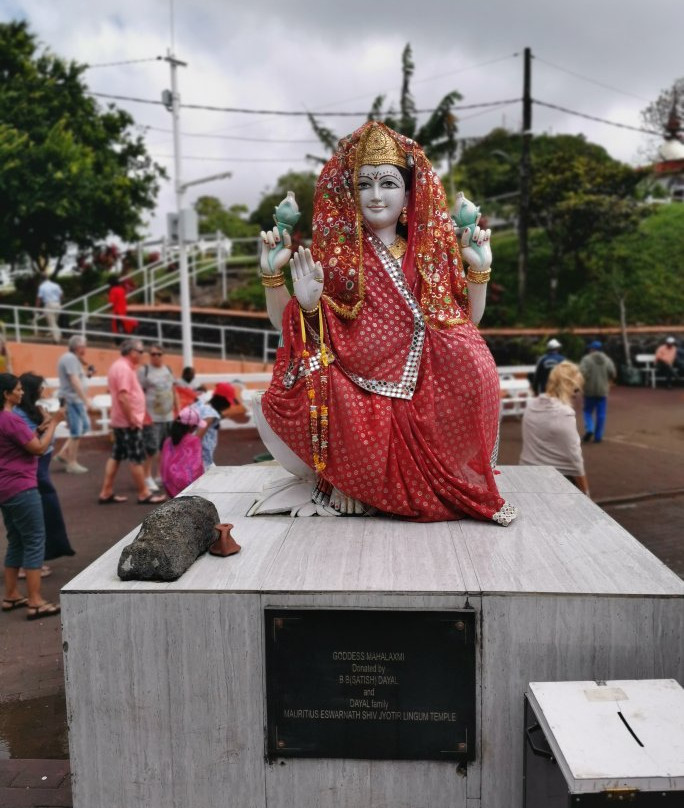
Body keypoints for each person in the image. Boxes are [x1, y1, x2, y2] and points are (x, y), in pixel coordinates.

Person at [257, 121, 516, 524]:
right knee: (319, 376)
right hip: (354, 379)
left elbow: (462, 324)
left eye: (388, 183)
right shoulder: (337, 258)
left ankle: (401, 480)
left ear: (409, 193)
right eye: (364, 185)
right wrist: (282, 285)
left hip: (421, 379)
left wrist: (478, 272)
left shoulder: (426, 253)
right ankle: (347, 479)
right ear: (350, 193)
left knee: (476, 364)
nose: (376, 196)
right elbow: (291, 331)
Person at [1, 373, 65, 620]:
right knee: (34, 539)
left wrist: (41, 428)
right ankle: (35, 601)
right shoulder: (12, 419)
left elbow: (23, 442)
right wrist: (55, 422)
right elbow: (38, 448)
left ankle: (12, 594)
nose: (21, 393)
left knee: (16, 539)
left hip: (6, 488)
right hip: (21, 486)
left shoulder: (5, 420)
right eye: (17, 390)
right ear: (6, 394)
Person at [14, 373, 75, 567]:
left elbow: (40, 437)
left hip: (40, 467)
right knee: (33, 518)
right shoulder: (18, 415)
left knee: (45, 514)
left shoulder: (33, 409)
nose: (42, 390)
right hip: (32, 469)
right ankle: (28, 565)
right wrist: (53, 423)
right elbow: (37, 446)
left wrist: (47, 422)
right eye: (40, 387)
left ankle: (37, 559)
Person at [97, 339, 165, 506]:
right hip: (128, 422)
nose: (143, 355)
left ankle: (106, 491)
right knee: (136, 457)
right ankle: (144, 493)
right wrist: (133, 418)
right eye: (141, 351)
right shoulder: (124, 368)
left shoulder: (120, 366)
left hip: (122, 421)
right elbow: (123, 396)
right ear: (132, 352)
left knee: (116, 456)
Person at [520, 361, 589, 496]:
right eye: (576, 389)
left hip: (527, 475)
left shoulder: (531, 405)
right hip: (555, 482)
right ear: (569, 386)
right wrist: (586, 491)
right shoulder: (564, 413)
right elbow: (574, 458)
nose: (576, 395)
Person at [138, 344, 179, 492]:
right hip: (152, 417)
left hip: (168, 416)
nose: (155, 357)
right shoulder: (144, 371)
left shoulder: (168, 369)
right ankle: (146, 477)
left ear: (163, 355)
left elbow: (174, 390)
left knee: (165, 447)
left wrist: (178, 410)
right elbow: (139, 393)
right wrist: (143, 413)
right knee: (151, 449)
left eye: (158, 354)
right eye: (152, 354)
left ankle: (160, 475)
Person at [54, 334, 91, 473]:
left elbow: (79, 378)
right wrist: (85, 399)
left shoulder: (73, 359)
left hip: (75, 400)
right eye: (84, 346)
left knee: (84, 426)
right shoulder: (70, 358)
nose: (86, 349)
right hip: (71, 400)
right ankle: (72, 463)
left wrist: (88, 374)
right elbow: (74, 380)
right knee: (77, 430)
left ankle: (63, 454)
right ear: (78, 347)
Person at [159, 406, 205, 497]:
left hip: (170, 485)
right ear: (191, 427)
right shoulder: (194, 440)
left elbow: (164, 465)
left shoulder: (168, 441)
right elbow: (197, 465)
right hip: (189, 486)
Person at [192, 383, 238, 470]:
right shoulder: (210, 415)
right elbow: (196, 438)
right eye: (228, 402)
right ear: (223, 401)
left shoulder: (203, 406)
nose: (228, 406)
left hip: (202, 458)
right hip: (202, 460)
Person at [579, 340, 616, 443]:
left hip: (589, 390)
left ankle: (590, 428)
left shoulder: (586, 359)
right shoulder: (607, 360)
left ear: (592, 349)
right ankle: (598, 436)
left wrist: (584, 381)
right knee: (601, 414)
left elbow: (581, 373)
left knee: (587, 411)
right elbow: (613, 373)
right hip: (603, 390)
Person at [108, 276, 138, 344]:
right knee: (123, 324)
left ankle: (118, 340)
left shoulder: (113, 290)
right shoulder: (121, 289)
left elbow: (111, 301)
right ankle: (132, 327)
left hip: (117, 310)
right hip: (123, 308)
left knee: (117, 326)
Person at [35, 273, 63, 343]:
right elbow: (61, 295)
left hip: (49, 305)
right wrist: (59, 302)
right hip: (57, 304)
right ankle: (57, 335)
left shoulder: (42, 287)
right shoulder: (55, 285)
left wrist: (37, 308)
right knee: (55, 322)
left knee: (52, 323)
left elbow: (39, 298)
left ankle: (57, 338)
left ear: (41, 279)